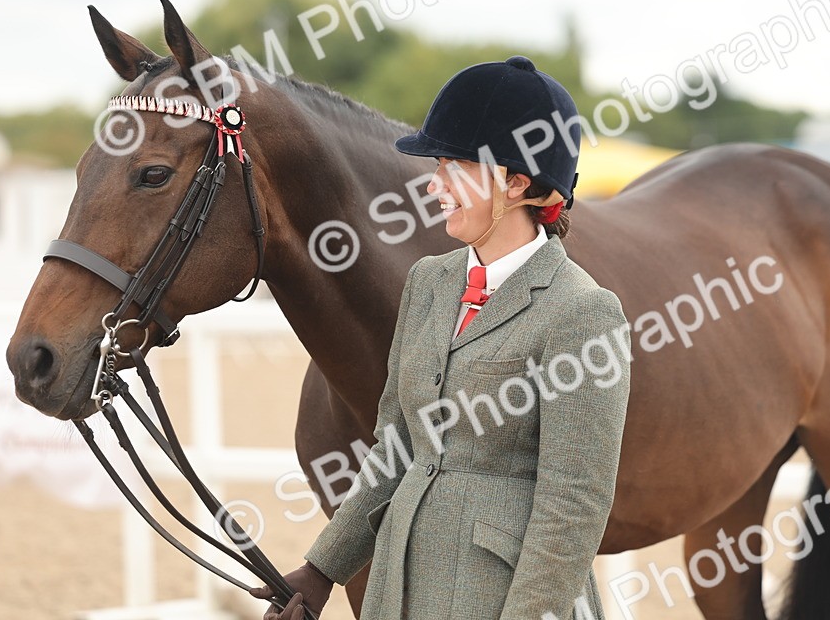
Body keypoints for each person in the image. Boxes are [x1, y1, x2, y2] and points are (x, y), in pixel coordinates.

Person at [252, 55, 631, 620]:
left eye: (455, 169)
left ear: (517, 182)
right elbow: (397, 445)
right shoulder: (429, 283)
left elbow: (572, 505)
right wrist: (323, 569)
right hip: (398, 592)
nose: (435, 186)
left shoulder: (583, 313)